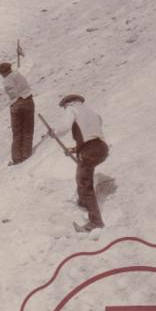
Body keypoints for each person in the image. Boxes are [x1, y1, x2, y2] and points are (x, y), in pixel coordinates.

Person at [58, 94, 109, 232]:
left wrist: (55, 132)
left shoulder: (72, 109)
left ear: (67, 104)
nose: (65, 109)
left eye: (64, 107)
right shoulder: (91, 111)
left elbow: (64, 127)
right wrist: (75, 150)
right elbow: (92, 134)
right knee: (82, 178)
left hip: (88, 150)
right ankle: (84, 203)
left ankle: (95, 222)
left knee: (84, 183)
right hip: (101, 148)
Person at [0, 62, 35, 165]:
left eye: (1, 73)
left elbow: (13, 94)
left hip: (16, 105)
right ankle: (26, 154)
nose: (1, 75)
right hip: (28, 101)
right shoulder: (19, 74)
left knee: (17, 133)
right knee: (28, 130)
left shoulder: (6, 81)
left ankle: (17, 158)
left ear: (3, 72)